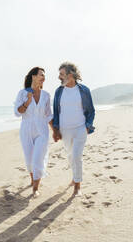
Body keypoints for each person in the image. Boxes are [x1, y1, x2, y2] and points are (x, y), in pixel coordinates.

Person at [52, 62, 95, 196]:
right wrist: (56, 130)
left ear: (70, 75)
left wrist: (87, 126)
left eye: (61, 74)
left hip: (80, 128)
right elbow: (56, 112)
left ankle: (77, 186)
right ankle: (74, 176)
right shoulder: (59, 91)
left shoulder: (84, 90)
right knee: (71, 156)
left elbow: (91, 110)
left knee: (76, 156)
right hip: (65, 130)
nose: (59, 77)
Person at [14, 67, 54, 197]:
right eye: (41, 75)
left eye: (44, 75)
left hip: (42, 131)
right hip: (26, 131)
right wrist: (28, 101)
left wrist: (55, 131)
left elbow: (48, 115)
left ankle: (35, 188)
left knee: (38, 159)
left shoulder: (46, 95)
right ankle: (33, 179)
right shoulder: (22, 93)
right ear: (33, 77)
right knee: (29, 160)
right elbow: (17, 112)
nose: (43, 77)